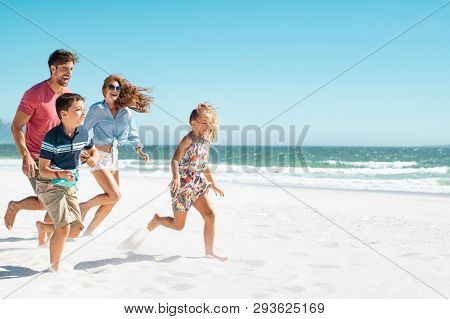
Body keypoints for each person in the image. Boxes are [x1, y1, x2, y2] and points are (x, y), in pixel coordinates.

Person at [4, 49, 78, 235]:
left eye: (70, 69)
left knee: (52, 201)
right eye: (63, 69)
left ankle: (42, 235)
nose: (68, 73)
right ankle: (16, 207)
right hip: (37, 156)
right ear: (52, 69)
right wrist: (26, 156)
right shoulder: (34, 94)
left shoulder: (68, 96)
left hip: (59, 158)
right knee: (50, 200)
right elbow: (16, 127)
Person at [147, 103, 227, 262]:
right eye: (204, 122)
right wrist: (176, 177)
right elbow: (175, 160)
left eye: (209, 123)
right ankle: (158, 220)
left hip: (197, 183)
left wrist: (213, 183)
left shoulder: (206, 142)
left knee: (210, 216)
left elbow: (204, 167)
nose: (207, 126)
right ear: (194, 123)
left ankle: (209, 252)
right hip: (182, 185)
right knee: (179, 226)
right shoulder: (188, 139)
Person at [80, 75, 151, 236]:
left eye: (118, 88)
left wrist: (138, 149)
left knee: (113, 199)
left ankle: (88, 233)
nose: (115, 90)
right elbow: (82, 130)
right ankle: (83, 207)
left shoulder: (125, 112)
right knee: (115, 194)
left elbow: (133, 133)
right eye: (111, 87)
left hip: (114, 158)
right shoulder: (97, 109)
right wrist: (83, 150)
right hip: (98, 155)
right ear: (104, 89)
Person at [35, 93, 98, 271]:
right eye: (78, 110)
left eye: (83, 110)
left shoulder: (83, 132)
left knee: (76, 229)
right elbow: (43, 169)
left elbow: (94, 151)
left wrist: (93, 157)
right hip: (50, 184)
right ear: (63, 114)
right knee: (63, 228)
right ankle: (54, 268)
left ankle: (44, 227)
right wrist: (60, 173)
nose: (83, 113)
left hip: (70, 186)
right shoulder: (52, 138)